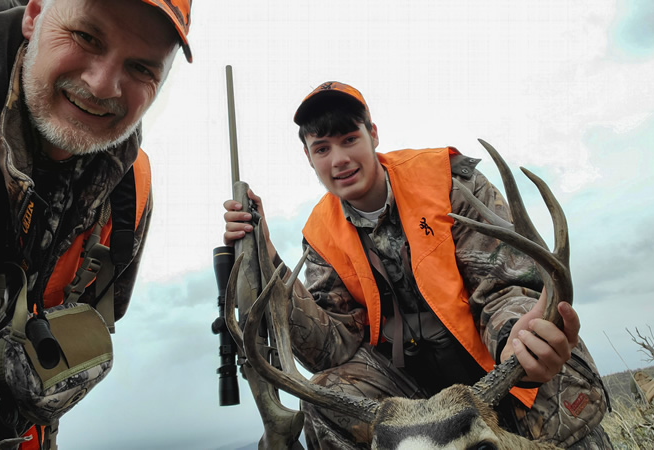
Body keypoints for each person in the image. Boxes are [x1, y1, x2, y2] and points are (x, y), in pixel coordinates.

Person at [222, 82, 612, 449]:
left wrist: (516, 336)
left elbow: (506, 286)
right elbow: (333, 349)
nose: (339, 160)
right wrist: (267, 255)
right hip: (411, 401)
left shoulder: (449, 183)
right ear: (308, 157)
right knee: (325, 399)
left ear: (373, 134)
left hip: (496, 372)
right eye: (322, 148)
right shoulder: (321, 235)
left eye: (349, 139)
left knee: (544, 349)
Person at [0, 0, 193, 447]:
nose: (102, 86)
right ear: (35, 15)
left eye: (141, 67)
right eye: (86, 37)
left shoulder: (129, 192)